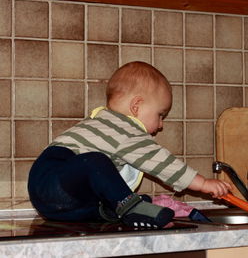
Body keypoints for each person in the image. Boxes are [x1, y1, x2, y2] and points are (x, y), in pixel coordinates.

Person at [28, 61, 232, 228]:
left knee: (105, 197)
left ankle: (122, 209)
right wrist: (204, 184)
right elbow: (162, 163)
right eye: (160, 115)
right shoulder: (123, 128)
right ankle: (132, 208)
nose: (160, 125)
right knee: (95, 162)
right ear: (136, 107)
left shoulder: (105, 124)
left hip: (59, 202)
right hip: (51, 180)